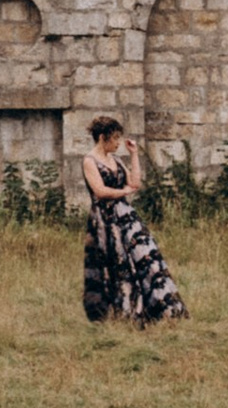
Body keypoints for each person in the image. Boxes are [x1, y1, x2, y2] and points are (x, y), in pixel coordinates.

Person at [80, 116, 186, 327]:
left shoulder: (116, 160)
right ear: (103, 138)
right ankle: (121, 312)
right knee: (116, 264)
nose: (118, 142)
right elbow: (100, 191)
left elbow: (135, 182)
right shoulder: (89, 161)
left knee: (144, 258)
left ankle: (152, 308)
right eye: (115, 138)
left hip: (126, 216)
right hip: (106, 220)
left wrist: (134, 154)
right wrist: (123, 192)